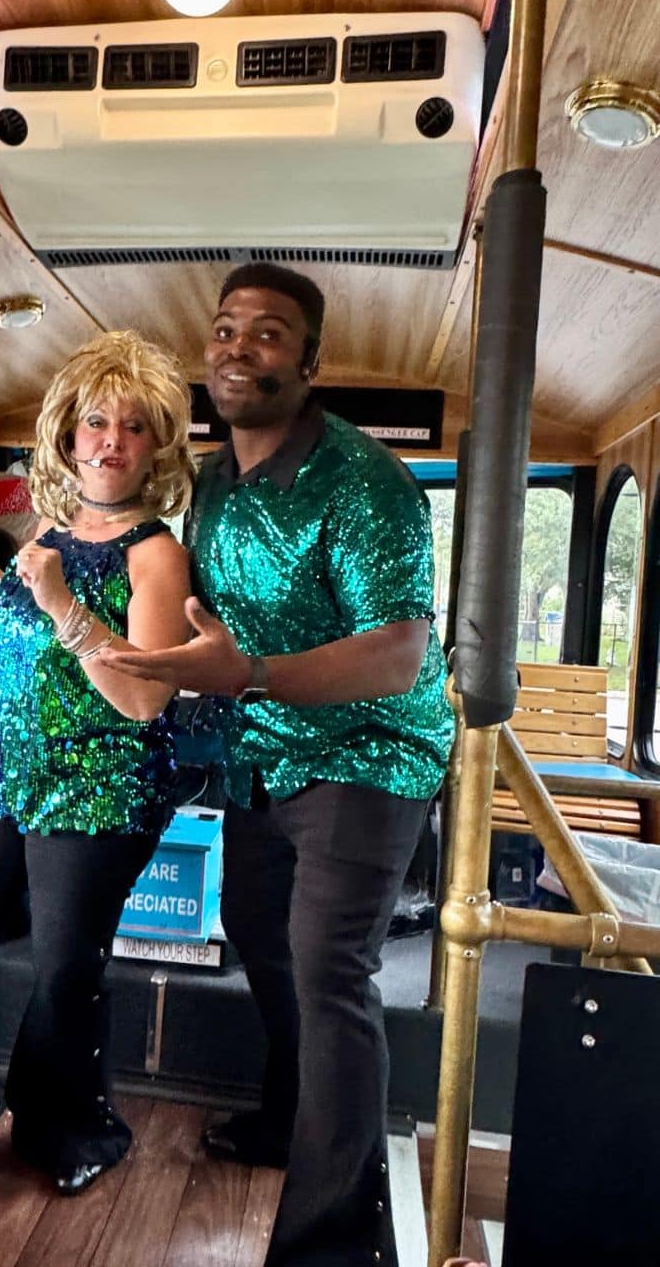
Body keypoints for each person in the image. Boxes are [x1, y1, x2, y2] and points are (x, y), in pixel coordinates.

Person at [100, 264, 453, 1265]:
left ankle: (331, 1242)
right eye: (224, 329)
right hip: (264, 750)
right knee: (266, 943)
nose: (238, 346)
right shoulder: (210, 482)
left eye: (267, 332)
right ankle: (289, 1126)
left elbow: (399, 653)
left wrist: (247, 670)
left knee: (330, 970)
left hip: (370, 752)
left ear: (308, 360)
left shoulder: (365, 483)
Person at [0, 330, 194, 1197]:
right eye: (96, 421)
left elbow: (143, 697)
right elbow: (22, 619)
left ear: (156, 446)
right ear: (66, 434)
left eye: (134, 427)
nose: (111, 441)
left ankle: (67, 1122)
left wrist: (61, 599)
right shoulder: (55, 523)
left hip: (95, 790)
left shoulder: (153, 553)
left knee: (64, 966)